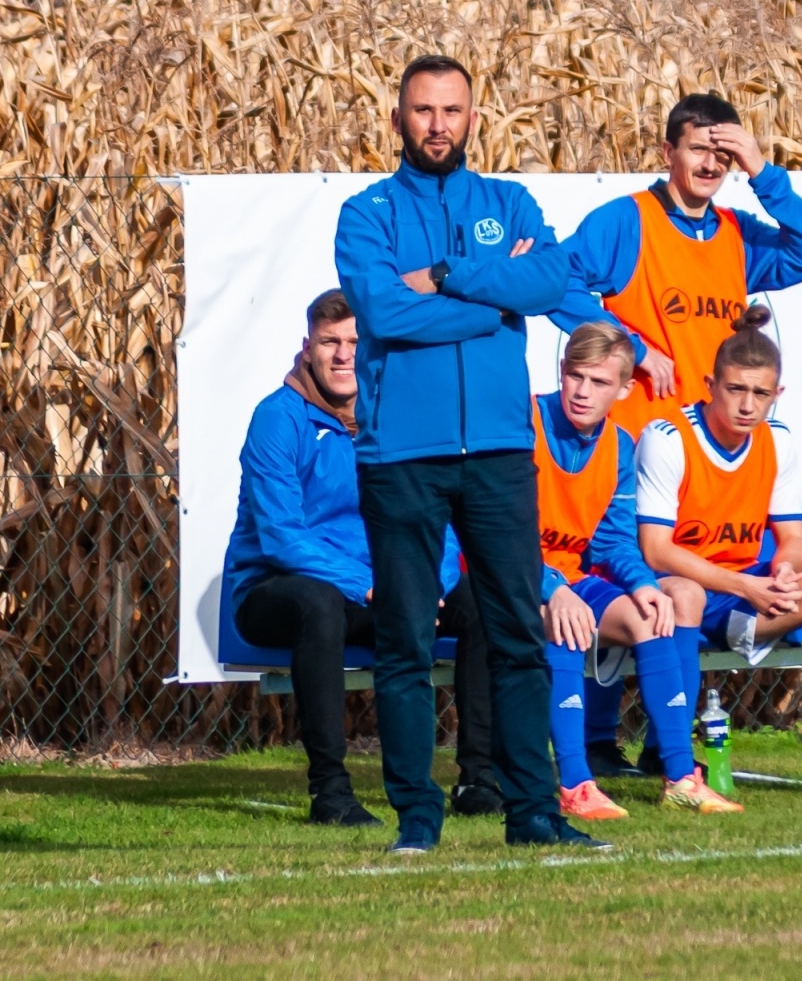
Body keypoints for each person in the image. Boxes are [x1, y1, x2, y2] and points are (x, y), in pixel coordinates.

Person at [335, 54, 605, 853]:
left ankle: (533, 815)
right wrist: (491, 302)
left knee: (519, 634)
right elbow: (383, 314)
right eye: (423, 110)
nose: (438, 125)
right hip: (401, 458)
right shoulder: (368, 212)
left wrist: (450, 276)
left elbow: (549, 281)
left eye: (452, 110)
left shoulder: (507, 200)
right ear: (398, 120)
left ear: (473, 118)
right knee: (406, 643)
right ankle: (418, 819)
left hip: (497, 453)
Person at [553, 92, 802, 775]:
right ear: (668, 153)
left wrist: (763, 171)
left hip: (703, 457)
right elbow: (555, 282)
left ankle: (662, 748)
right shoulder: (628, 221)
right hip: (633, 446)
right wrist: (628, 342)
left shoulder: (737, 234)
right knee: (627, 586)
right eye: (698, 148)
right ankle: (597, 744)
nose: (711, 162)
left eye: (722, 150)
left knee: (678, 596)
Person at [220, 290, 502, 826]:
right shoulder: (278, 419)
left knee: (485, 604)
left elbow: (434, 516)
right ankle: (330, 793)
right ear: (308, 349)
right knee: (319, 605)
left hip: (385, 587)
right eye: (331, 342)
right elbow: (282, 537)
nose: (344, 354)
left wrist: (429, 583)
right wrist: (369, 584)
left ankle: (477, 780)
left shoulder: (395, 416)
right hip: (276, 589)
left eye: (354, 341)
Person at [636, 307, 802, 796]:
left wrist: (785, 572)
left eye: (761, 393)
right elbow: (655, 549)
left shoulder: (778, 440)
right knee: (686, 592)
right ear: (710, 383)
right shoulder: (667, 438)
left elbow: (793, 536)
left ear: (779, 395)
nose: (748, 406)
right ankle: (673, 762)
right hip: (679, 587)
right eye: (736, 390)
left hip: (744, 589)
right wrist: (744, 586)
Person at [534, 322, 741, 820]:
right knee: (568, 621)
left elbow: (611, 539)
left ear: (625, 389)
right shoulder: (524, 422)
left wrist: (644, 584)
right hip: (503, 575)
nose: (583, 392)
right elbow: (491, 529)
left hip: (567, 577)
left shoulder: (619, 445)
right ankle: (576, 784)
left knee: (652, 615)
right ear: (561, 374)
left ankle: (680, 779)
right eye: (575, 376)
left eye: (599, 382)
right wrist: (551, 587)